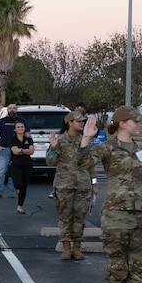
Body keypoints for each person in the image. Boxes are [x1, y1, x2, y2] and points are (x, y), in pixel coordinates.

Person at [81, 107, 142, 283]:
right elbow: (83, 163)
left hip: (141, 214)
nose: (140, 124)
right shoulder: (108, 148)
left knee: (138, 261)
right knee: (117, 261)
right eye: (136, 121)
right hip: (116, 214)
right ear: (123, 123)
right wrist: (86, 139)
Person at [47, 111, 92, 260]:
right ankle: (66, 247)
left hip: (82, 184)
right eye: (78, 121)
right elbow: (51, 162)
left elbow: (90, 164)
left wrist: (94, 183)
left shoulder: (84, 141)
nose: (81, 123)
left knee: (80, 217)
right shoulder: (60, 140)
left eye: (82, 121)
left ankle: (77, 247)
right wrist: (53, 148)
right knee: (65, 217)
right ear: (70, 122)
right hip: (64, 184)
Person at [0, 102, 23, 199]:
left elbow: (27, 134)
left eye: (14, 108)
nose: (12, 110)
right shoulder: (2, 121)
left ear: (16, 110)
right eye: (10, 108)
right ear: (7, 110)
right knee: (1, 171)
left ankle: (11, 193)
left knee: (13, 172)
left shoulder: (21, 121)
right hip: (4, 150)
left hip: (16, 151)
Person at [2, 115, 34, 211]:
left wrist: (21, 150)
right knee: (18, 184)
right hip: (16, 164)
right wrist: (25, 150)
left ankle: (20, 206)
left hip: (27, 164)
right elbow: (15, 151)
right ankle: (16, 187)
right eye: (18, 127)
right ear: (15, 130)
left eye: (22, 127)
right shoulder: (12, 140)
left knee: (24, 186)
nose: (20, 128)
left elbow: (31, 151)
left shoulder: (28, 139)